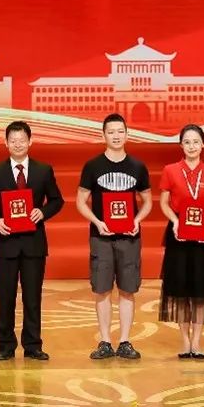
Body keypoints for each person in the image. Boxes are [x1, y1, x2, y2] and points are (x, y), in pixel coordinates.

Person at [0, 121, 65, 361]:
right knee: (5, 297)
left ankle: (33, 345)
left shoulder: (43, 170)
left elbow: (57, 200)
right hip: (5, 243)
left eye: (22, 140)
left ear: (30, 141)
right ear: (6, 143)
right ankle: (5, 345)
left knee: (32, 297)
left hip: (33, 244)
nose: (18, 144)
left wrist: (42, 212)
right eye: (13, 140)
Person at [75, 113, 152, 361]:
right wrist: (97, 222)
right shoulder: (92, 166)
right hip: (101, 237)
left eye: (120, 131)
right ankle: (106, 341)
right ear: (103, 135)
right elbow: (80, 201)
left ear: (127, 134)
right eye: (111, 132)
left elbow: (148, 201)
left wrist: (137, 221)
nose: (116, 136)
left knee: (128, 289)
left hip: (129, 238)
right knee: (102, 289)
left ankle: (125, 341)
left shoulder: (137, 167)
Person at [159, 124, 204, 359]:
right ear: (181, 145)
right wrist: (175, 221)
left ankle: (196, 342)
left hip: (203, 234)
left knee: (200, 290)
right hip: (178, 232)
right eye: (187, 142)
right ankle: (184, 341)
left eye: (196, 141)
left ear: (203, 144)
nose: (192, 146)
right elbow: (164, 203)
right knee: (179, 290)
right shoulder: (170, 170)